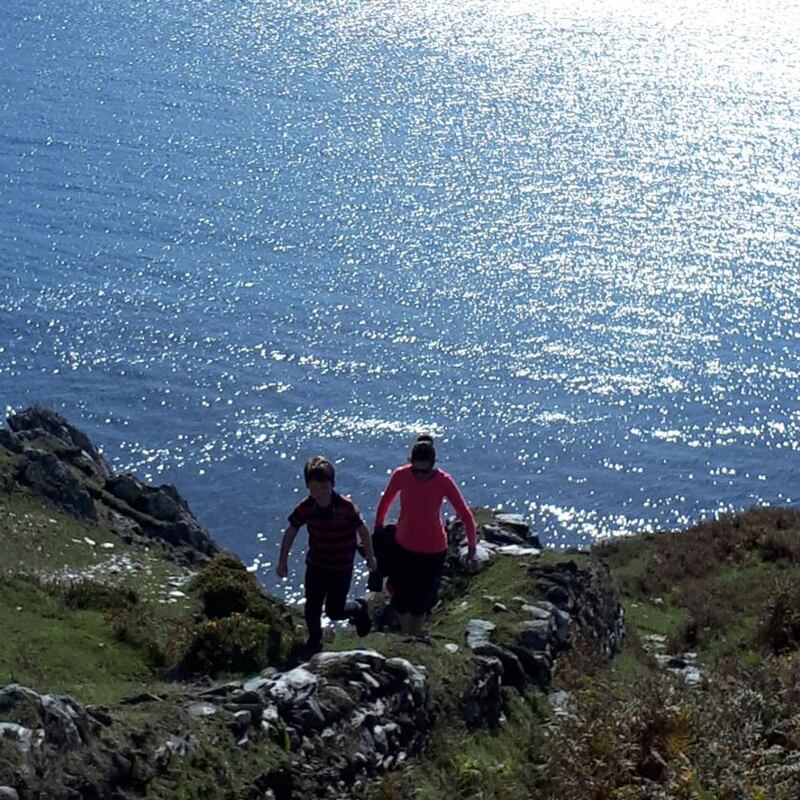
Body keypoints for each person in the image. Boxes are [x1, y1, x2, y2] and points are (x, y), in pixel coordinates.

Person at [374, 435, 477, 635]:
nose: (420, 475)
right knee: (400, 600)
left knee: (420, 602)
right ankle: (408, 635)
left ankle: (411, 638)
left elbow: (466, 515)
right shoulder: (401, 475)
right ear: (410, 463)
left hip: (433, 551)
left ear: (433, 465)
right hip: (403, 545)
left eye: (425, 470)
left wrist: (472, 550)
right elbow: (386, 501)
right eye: (416, 470)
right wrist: (378, 528)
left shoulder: (443, 481)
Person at [277, 456, 377, 655]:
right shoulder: (306, 507)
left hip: (341, 567)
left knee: (334, 611)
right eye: (313, 489)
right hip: (317, 564)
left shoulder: (345, 507)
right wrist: (282, 561)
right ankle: (315, 642)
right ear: (307, 487)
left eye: (323, 488)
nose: (319, 494)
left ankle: (358, 608)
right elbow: (291, 531)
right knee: (311, 609)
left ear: (332, 484)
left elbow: (363, 530)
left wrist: (370, 557)